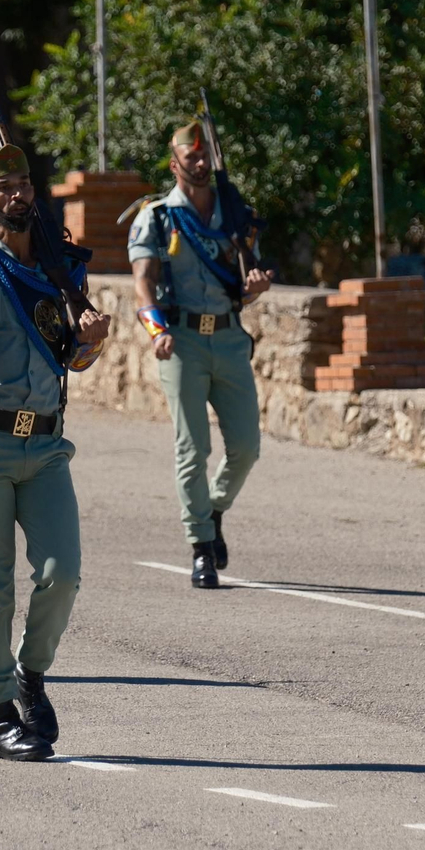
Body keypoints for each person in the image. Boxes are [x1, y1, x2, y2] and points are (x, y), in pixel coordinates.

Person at [0, 143, 111, 761]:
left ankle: (31, 676)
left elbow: (74, 357)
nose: (17, 195)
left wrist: (92, 342)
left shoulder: (63, 265)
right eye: (2, 187)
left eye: (24, 184)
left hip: (45, 445)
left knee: (63, 573)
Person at [127, 121, 272, 589]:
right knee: (193, 449)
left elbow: (243, 288)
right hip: (183, 341)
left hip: (229, 338)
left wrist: (256, 289)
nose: (202, 163)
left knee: (247, 447)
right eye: (192, 157)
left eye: (206, 154)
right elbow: (143, 283)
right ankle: (201, 547)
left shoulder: (234, 215)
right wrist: (156, 331)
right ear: (175, 164)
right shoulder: (158, 217)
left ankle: (213, 509)